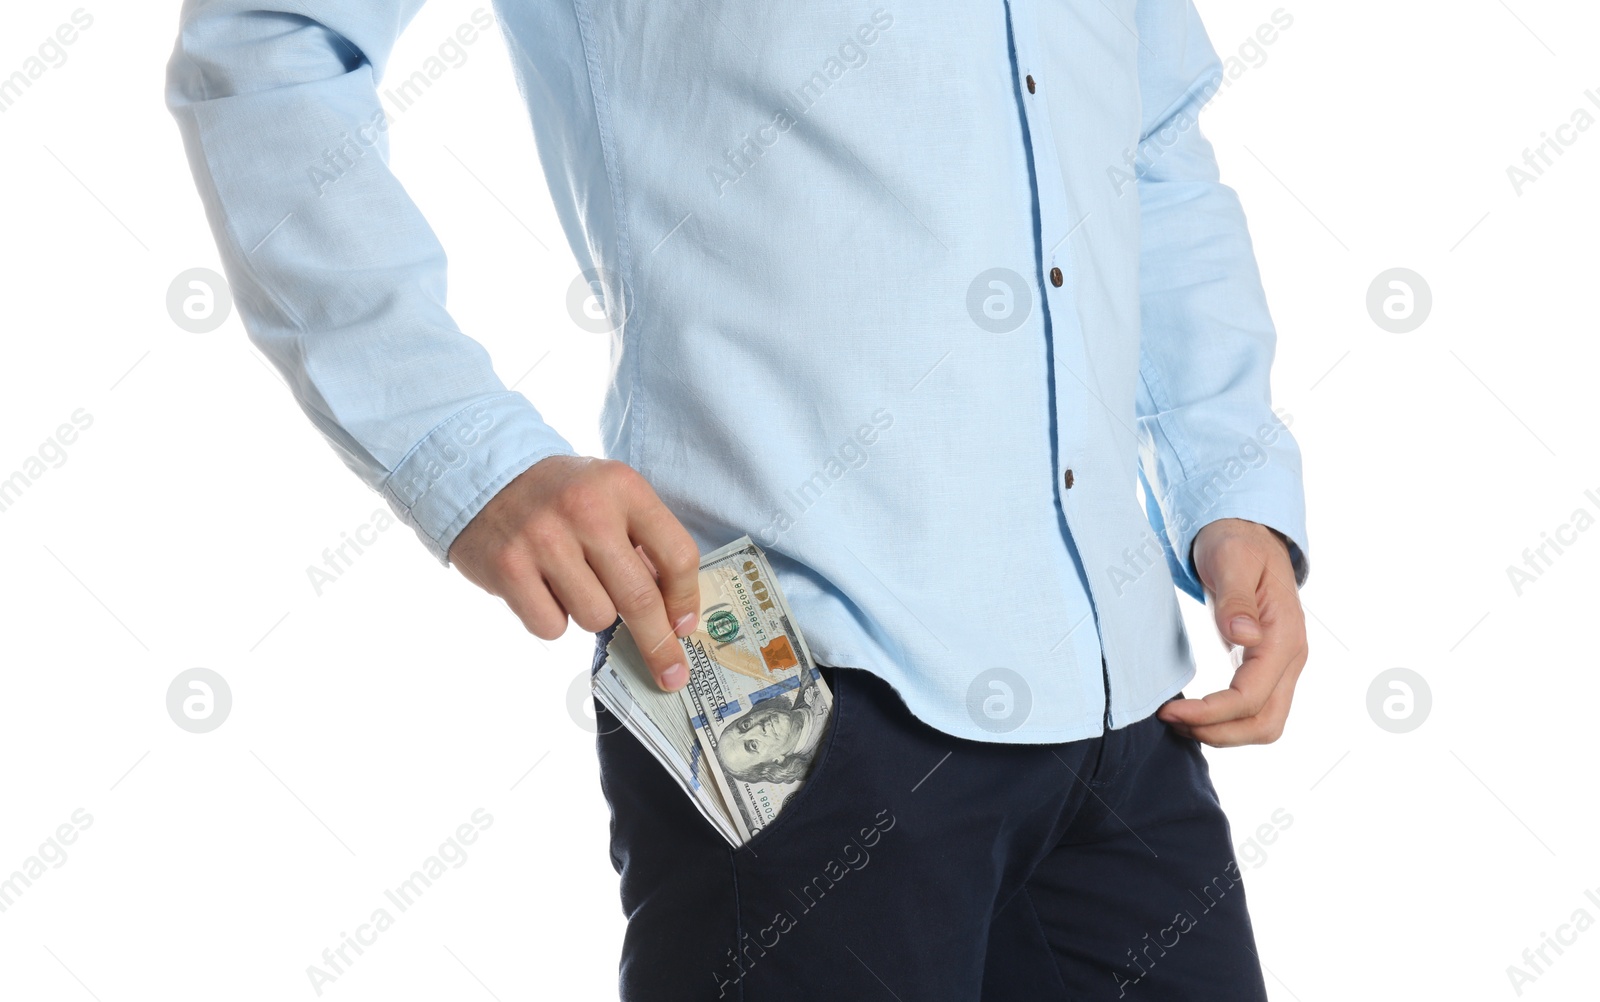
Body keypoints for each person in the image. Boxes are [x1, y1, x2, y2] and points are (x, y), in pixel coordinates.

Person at [167, 1, 1310, 998]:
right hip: (789, 691)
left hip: (1122, 712)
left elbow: (1148, 140)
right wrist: (463, 448)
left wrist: (1226, 479)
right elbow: (267, 45)